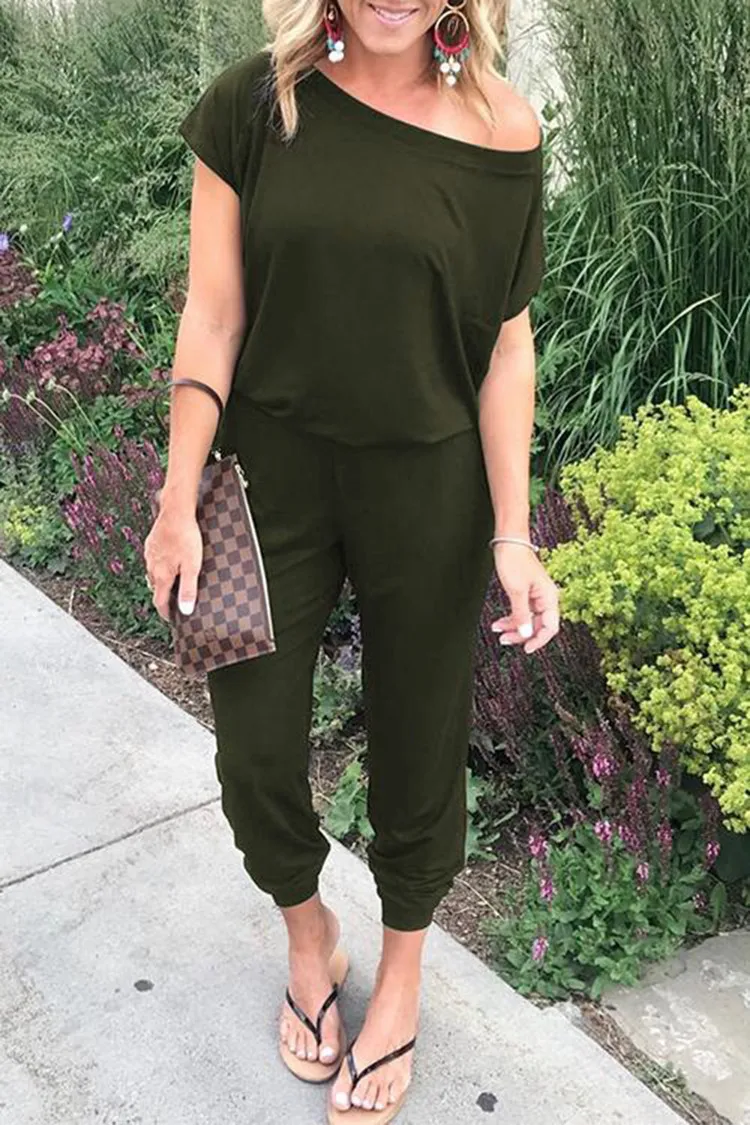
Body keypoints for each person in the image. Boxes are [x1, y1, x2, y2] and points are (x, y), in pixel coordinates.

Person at [144, 1, 560, 1121]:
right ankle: (309, 931)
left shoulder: (504, 132)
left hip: (428, 484)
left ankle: (404, 977)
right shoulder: (255, 106)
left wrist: (513, 533)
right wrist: (178, 496)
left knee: (419, 743)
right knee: (253, 754)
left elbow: (505, 346)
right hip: (270, 475)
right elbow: (213, 315)